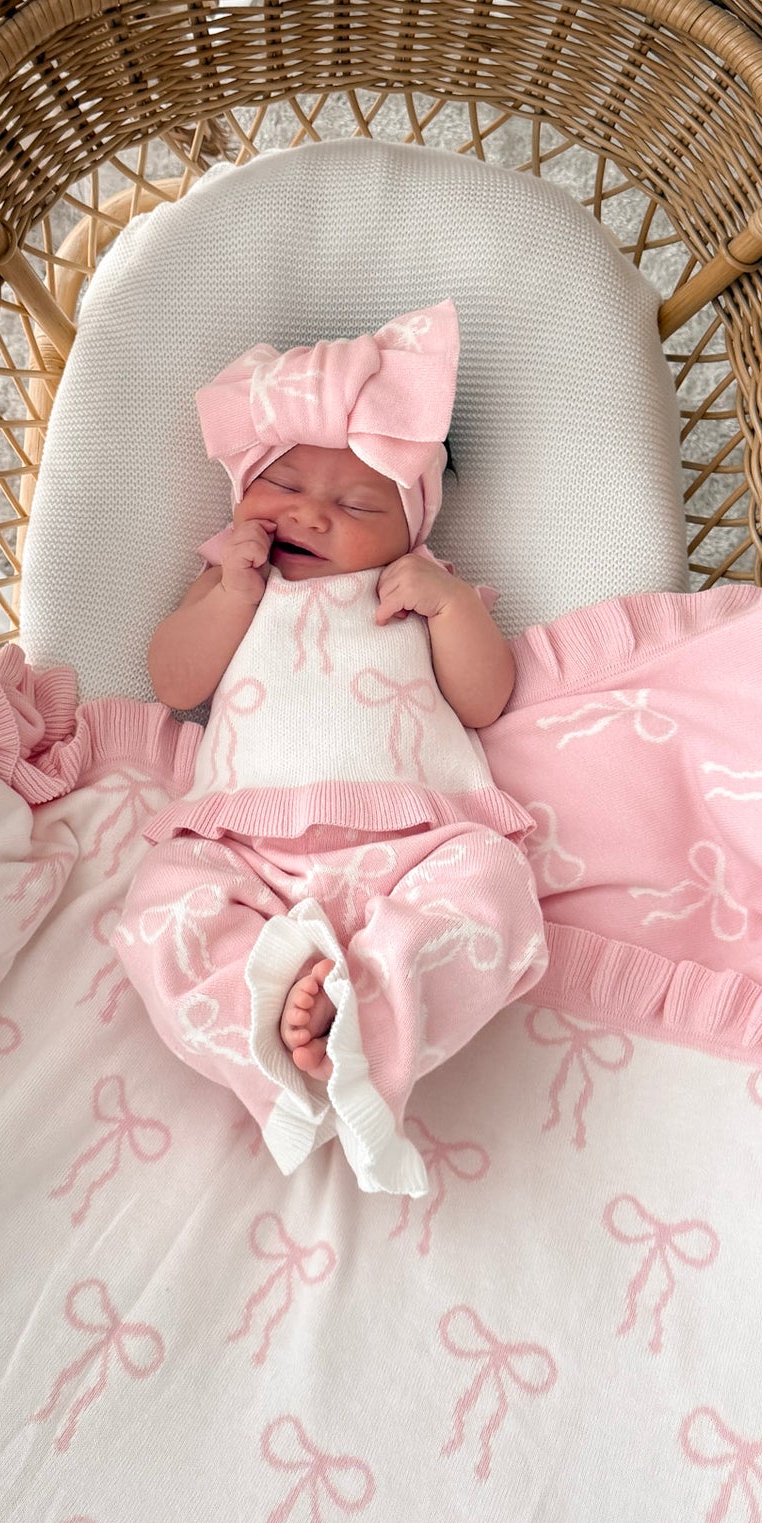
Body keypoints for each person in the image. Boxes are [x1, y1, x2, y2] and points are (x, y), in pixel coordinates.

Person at [113, 300, 547, 1195]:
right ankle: (265, 1018)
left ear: (409, 529)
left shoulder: (419, 587)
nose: (308, 515)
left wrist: (450, 607)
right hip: (245, 851)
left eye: (355, 504)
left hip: (412, 847)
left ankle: (372, 1013)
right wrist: (229, 595)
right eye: (280, 487)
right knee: (160, 907)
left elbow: (484, 699)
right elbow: (176, 682)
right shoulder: (231, 582)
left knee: (495, 888)